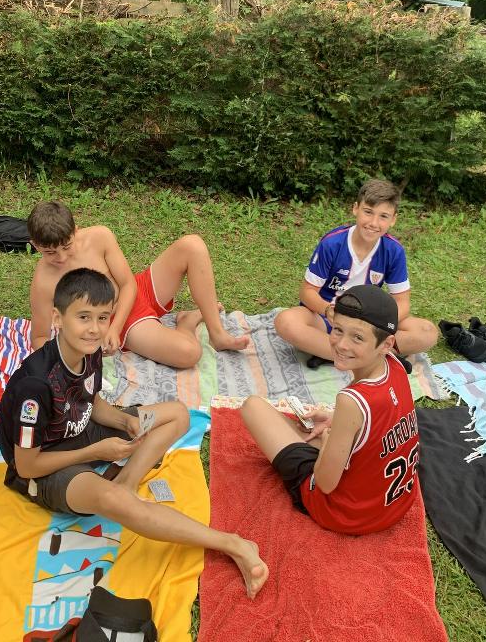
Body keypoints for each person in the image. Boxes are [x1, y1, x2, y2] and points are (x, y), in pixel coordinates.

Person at [0, 267, 268, 599]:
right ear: (58, 318)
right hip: (47, 467)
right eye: (83, 317)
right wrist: (96, 453)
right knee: (113, 501)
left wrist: (123, 422)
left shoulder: (88, 350)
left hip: (81, 430)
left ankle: (126, 482)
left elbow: (88, 400)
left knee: (177, 414)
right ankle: (233, 544)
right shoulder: (35, 386)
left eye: (103, 318)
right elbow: (27, 466)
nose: (94, 329)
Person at [241, 285, 420, 534]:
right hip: (394, 505)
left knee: (253, 407)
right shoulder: (396, 366)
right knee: (310, 428)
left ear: (386, 343)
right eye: (338, 330)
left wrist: (327, 442)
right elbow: (380, 418)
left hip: (344, 514)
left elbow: (325, 483)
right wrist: (336, 420)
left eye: (357, 338)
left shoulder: (351, 401)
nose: (342, 345)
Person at [27, 200, 249, 362]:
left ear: (76, 231)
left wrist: (114, 329)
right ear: (35, 245)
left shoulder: (99, 236)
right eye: (50, 252)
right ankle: (186, 323)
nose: (61, 257)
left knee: (193, 245)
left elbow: (128, 284)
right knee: (190, 353)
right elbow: (39, 337)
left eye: (67, 246)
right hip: (122, 319)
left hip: (134, 290)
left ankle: (217, 334)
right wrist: (107, 331)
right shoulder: (43, 281)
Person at [274, 178, 438, 365]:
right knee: (286, 321)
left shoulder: (394, 250)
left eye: (383, 216)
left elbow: (402, 302)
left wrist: (375, 323)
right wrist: (328, 311)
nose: (374, 223)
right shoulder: (332, 244)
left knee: (427, 332)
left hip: (368, 322)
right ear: (355, 209)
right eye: (368, 212)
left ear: (393, 220)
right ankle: (370, 356)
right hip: (329, 318)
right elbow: (307, 292)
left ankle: (335, 354)